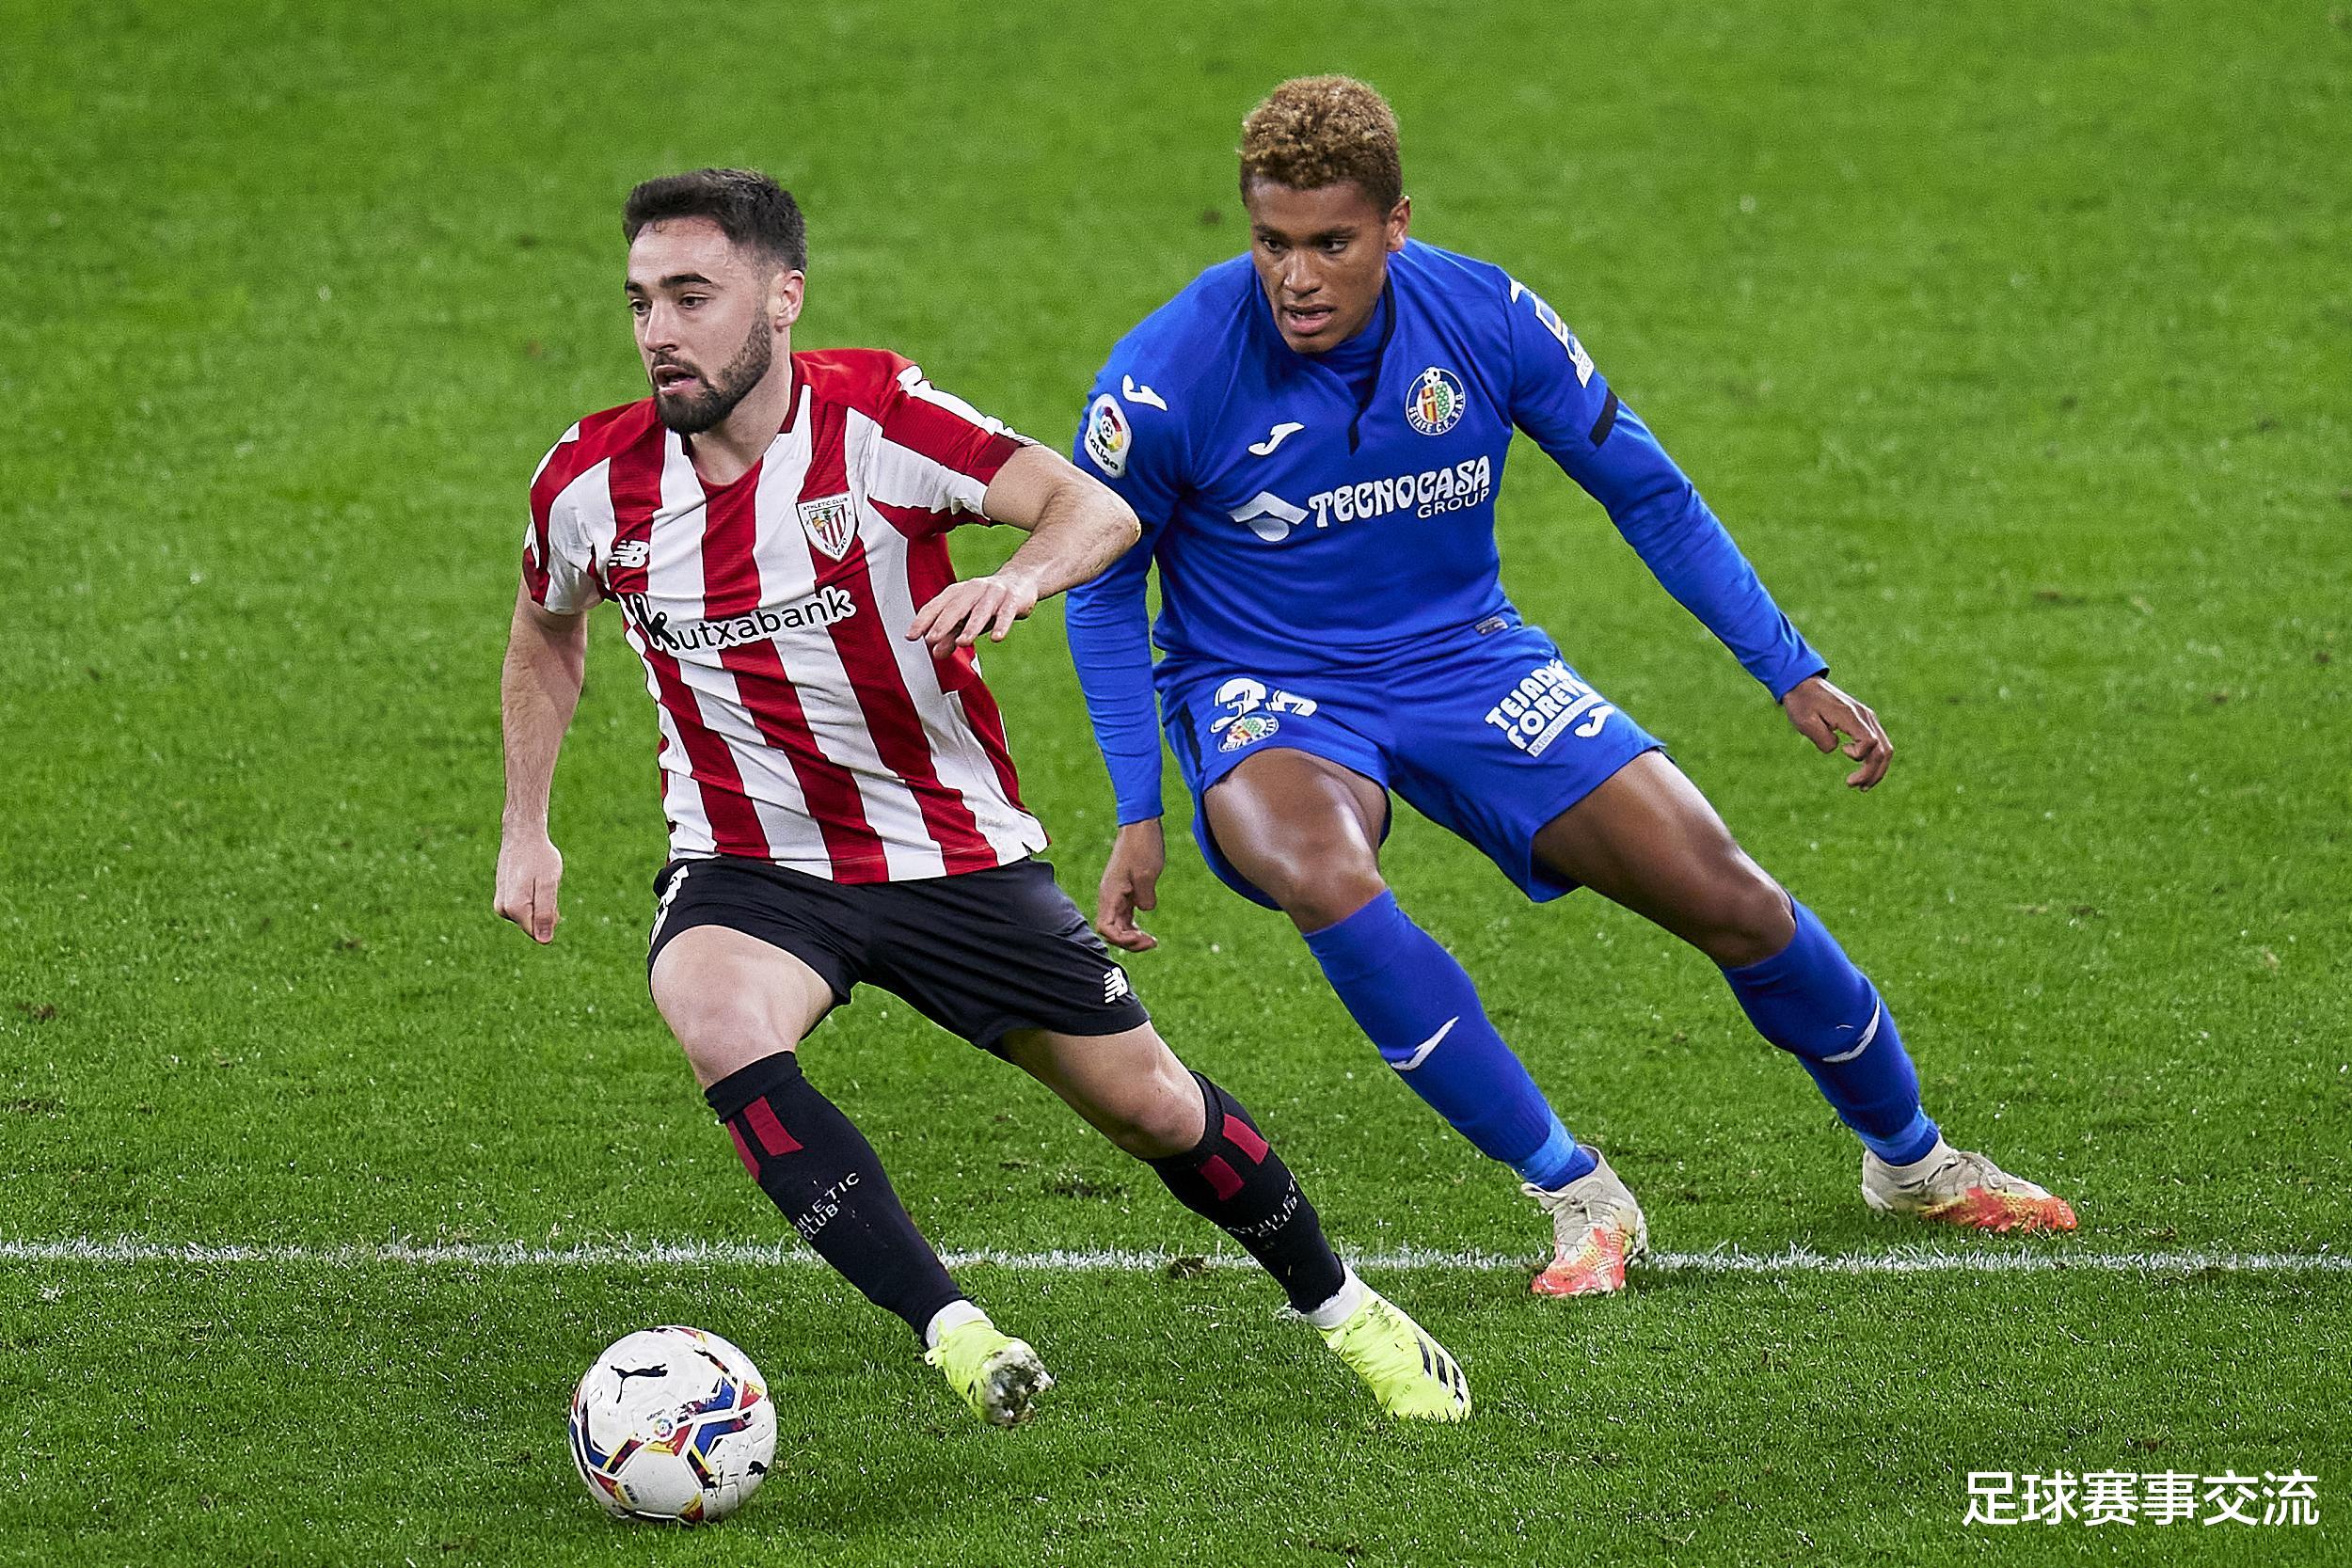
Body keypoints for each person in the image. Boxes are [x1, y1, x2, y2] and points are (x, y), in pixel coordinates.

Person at [1065, 78, 2076, 1300]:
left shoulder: (1487, 318)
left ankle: (1912, 1162)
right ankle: (1577, 1191)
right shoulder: (1166, 377)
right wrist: (1138, 807)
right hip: (1264, 686)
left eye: (1332, 242)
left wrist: (1788, 666)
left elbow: (1647, 492)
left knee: (1731, 897)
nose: (1298, 278)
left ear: (1395, 226)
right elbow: (1101, 588)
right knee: (1324, 873)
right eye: (1273, 242)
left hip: (1467, 658)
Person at [494, 167, 1469, 1424]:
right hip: (752, 862)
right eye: (641, 303)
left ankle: (1345, 1309)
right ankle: (955, 1332)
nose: (659, 335)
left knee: (1155, 1110)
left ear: (783, 298)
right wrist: (527, 825)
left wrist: (1021, 578)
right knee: (719, 1020)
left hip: (951, 852)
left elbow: (1091, 509)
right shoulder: (590, 481)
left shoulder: (879, 421)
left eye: (693, 298)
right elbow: (547, 626)